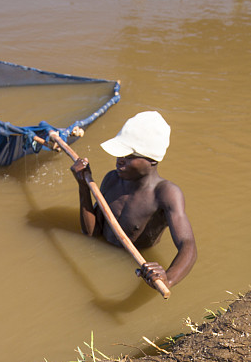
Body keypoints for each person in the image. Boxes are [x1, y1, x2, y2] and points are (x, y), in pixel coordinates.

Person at [71, 110, 197, 290]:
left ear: (152, 160)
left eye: (128, 157)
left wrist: (168, 278)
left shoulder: (165, 193)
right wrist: (83, 186)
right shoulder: (112, 179)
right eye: (119, 155)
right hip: (100, 263)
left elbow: (188, 246)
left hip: (131, 269)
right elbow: (92, 233)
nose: (119, 161)